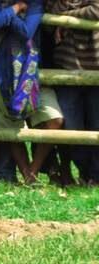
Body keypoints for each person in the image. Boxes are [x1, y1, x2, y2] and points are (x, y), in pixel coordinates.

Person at [0, 0, 64, 183]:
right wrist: (15, 10)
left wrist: (4, 16)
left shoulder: (35, 4)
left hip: (32, 74)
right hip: (2, 77)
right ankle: (29, 175)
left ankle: (33, 171)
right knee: (10, 126)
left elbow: (27, 31)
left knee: (54, 119)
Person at [47, 0, 98, 185]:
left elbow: (96, 10)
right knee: (70, 125)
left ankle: (94, 176)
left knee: (96, 124)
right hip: (66, 69)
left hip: (95, 68)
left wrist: (66, 17)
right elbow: (51, 10)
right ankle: (85, 171)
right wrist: (67, 12)